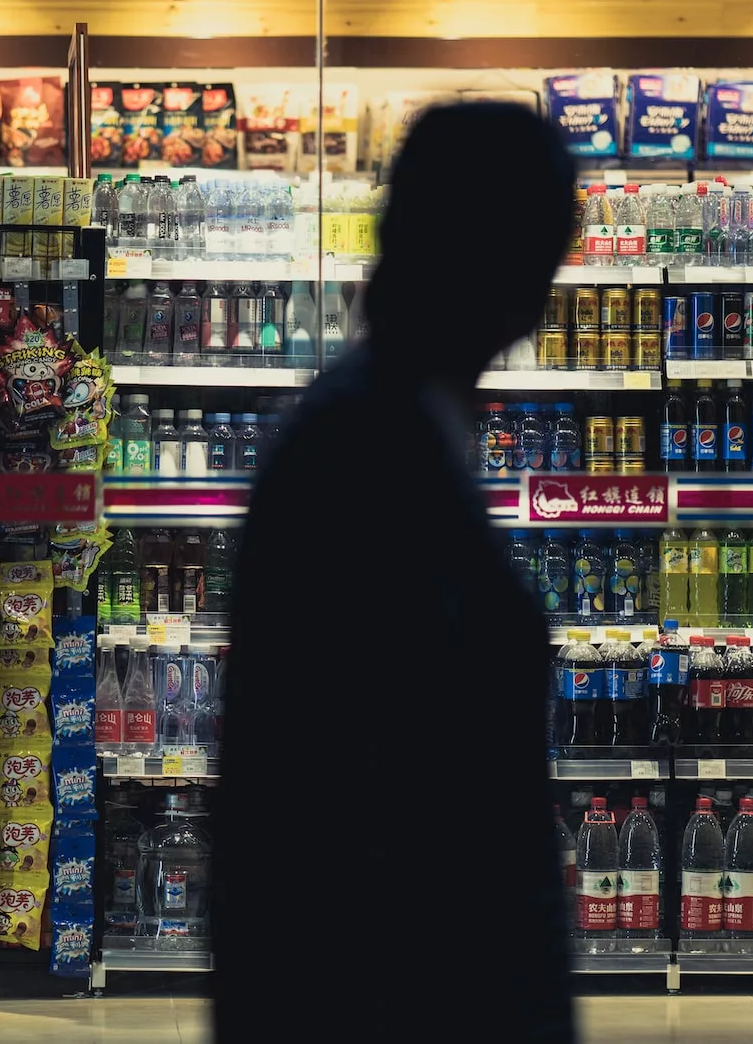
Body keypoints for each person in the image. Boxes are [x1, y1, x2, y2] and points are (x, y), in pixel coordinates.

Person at [215, 104, 577, 1043]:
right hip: (398, 994)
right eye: (542, 242)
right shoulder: (362, 452)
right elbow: (324, 811)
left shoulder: (398, 424)